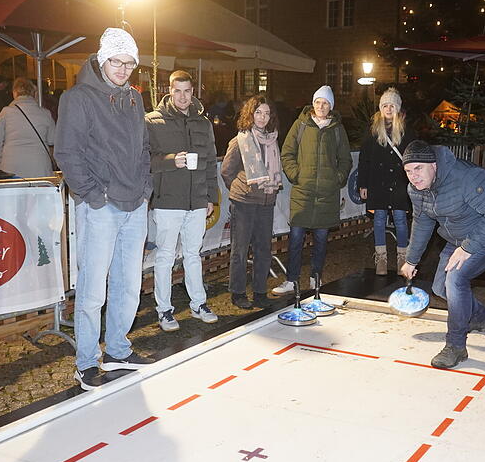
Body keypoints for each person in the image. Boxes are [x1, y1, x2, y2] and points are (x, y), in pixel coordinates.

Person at [54, 27, 154, 390]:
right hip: (101, 206)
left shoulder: (134, 98)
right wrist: (94, 195)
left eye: (130, 63)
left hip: (134, 203)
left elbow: (144, 148)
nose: (123, 69)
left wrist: (146, 188)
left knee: (128, 285)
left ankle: (117, 350)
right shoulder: (78, 98)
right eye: (117, 61)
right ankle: (85, 362)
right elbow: (67, 152)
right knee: (93, 289)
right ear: (102, 59)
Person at [399, 140, 485, 369]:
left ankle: (455, 346)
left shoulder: (467, 177)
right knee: (439, 288)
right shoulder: (416, 189)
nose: (414, 177)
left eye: (418, 168)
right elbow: (422, 222)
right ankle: (479, 317)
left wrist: (468, 248)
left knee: (455, 279)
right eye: (408, 171)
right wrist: (411, 259)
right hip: (458, 239)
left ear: (433, 165)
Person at [146, 70, 220, 330]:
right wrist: (170, 161)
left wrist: (211, 197)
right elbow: (143, 160)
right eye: (177, 91)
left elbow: (210, 163)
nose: (182, 96)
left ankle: (198, 304)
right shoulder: (153, 121)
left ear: (193, 92)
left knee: (193, 254)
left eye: (187, 91)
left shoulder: (203, 123)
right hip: (168, 200)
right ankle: (164, 310)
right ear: (169, 90)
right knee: (165, 256)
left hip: (197, 200)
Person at [272, 85, 352, 294]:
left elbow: (345, 159)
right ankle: (292, 280)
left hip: (327, 194)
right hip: (303, 193)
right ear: (313, 103)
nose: (321, 106)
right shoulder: (301, 125)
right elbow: (287, 152)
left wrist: (337, 179)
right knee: (295, 239)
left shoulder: (337, 129)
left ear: (331, 106)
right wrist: (296, 175)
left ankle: (315, 278)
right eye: (318, 102)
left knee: (321, 240)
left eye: (325, 103)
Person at [221, 95, 283, 309]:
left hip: (266, 201)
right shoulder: (241, 140)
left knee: (263, 249)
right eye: (258, 112)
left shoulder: (272, 139)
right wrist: (241, 188)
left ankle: (259, 292)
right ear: (250, 114)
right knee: (240, 249)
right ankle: (238, 293)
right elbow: (227, 171)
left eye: (266, 113)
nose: (262, 117)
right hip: (244, 202)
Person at [358, 87, 417, 275]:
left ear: (397, 108)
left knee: (400, 219)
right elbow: (364, 159)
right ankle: (381, 259)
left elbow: (413, 157)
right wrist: (363, 184)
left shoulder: (407, 131)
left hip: (399, 182)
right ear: (380, 108)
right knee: (379, 219)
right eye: (385, 106)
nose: (388, 109)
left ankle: (403, 259)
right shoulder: (373, 130)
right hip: (378, 182)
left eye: (392, 106)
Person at [0, 77, 56, 178]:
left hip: (11, 166)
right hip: (39, 165)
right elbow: (52, 140)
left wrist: (0, 159)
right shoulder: (45, 113)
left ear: (14, 93)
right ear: (33, 93)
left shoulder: (6, 112)